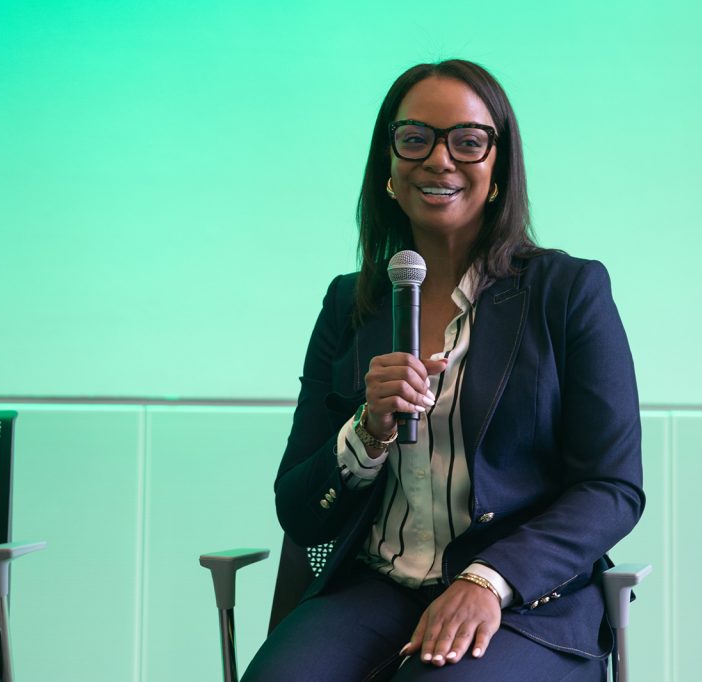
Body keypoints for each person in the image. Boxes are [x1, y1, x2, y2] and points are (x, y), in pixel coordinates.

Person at [242, 60, 645, 681]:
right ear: (389, 166)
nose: (439, 159)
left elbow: (612, 488)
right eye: (415, 138)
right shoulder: (350, 306)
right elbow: (299, 508)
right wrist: (366, 431)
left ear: (499, 167)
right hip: (375, 586)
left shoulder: (567, 291)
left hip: (522, 601)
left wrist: (490, 580)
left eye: (468, 140)